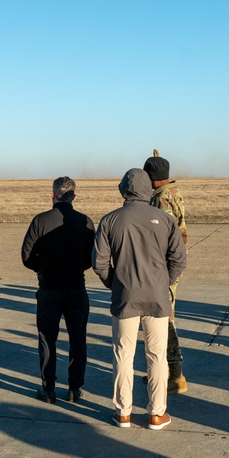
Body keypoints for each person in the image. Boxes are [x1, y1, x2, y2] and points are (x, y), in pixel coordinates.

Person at [92, 169, 186, 431]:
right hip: (157, 298)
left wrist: (114, 282)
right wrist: (164, 282)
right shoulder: (164, 219)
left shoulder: (110, 220)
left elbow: (99, 261)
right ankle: (157, 414)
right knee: (156, 356)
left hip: (125, 297)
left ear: (123, 189)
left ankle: (123, 413)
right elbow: (179, 258)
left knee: (123, 354)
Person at [21, 176, 95, 403]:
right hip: (75, 286)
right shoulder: (85, 221)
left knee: (47, 339)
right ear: (74, 195)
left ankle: (48, 388)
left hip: (49, 287)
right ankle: (74, 388)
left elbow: (26, 256)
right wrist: (73, 268)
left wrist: (44, 268)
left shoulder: (40, 221)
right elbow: (91, 257)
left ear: (53, 195)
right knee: (78, 339)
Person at [143, 152, 189, 393]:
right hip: (169, 266)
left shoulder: (162, 199)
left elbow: (163, 238)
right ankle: (159, 368)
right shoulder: (172, 191)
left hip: (164, 269)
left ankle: (176, 374)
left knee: (165, 320)